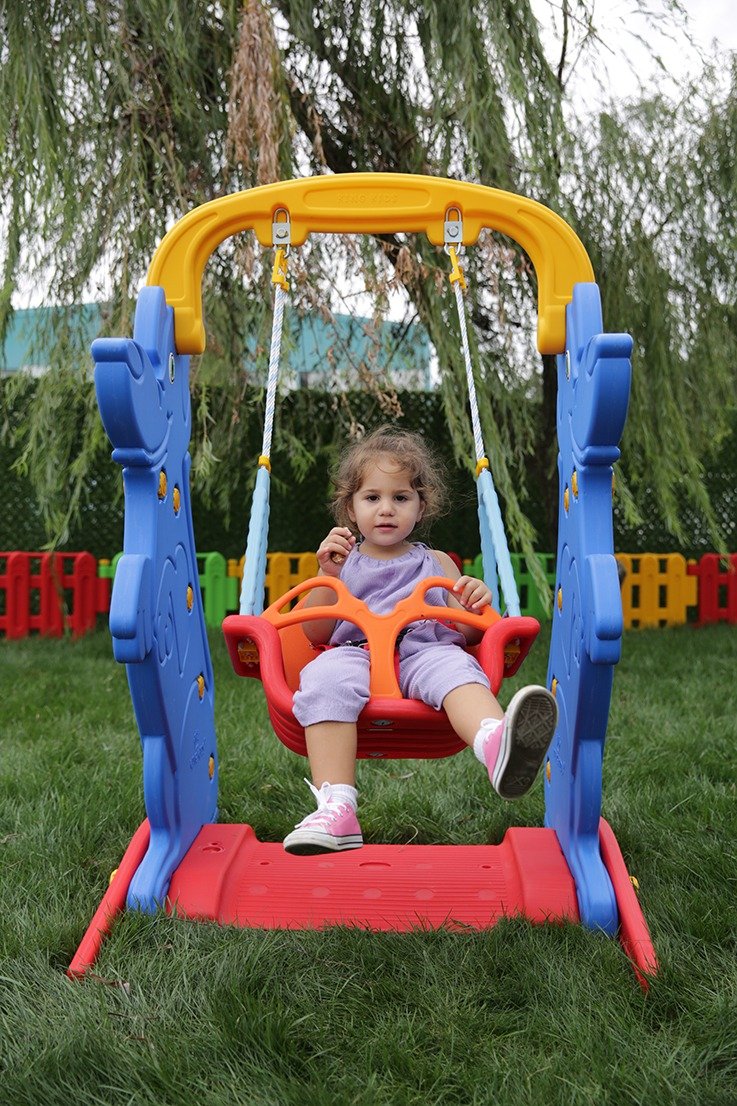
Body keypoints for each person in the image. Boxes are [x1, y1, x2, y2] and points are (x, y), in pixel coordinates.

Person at [283, 427, 558, 855]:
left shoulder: (437, 561)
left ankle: (496, 743)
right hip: (356, 654)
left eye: (400, 497)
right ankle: (337, 808)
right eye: (372, 498)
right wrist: (327, 575)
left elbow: (467, 632)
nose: (386, 509)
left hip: (424, 650)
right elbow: (315, 632)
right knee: (323, 679)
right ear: (351, 509)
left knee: (457, 670)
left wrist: (474, 600)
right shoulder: (342, 564)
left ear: (421, 505)